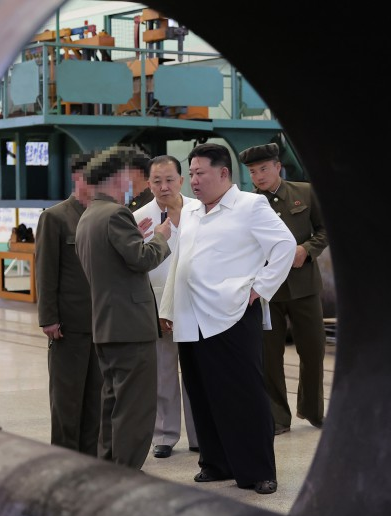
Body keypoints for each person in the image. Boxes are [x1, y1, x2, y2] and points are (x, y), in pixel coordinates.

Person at [159, 143, 295, 495]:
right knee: (203, 396)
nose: (193, 180)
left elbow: (284, 245)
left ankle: (258, 471)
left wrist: (260, 288)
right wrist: (168, 308)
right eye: (191, 174)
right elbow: (181, 261)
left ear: (223, 173)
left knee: (244, 396)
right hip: (191, 318)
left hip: (231, 315)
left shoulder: (250, 206)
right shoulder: (192, 212)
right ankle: (216, 463)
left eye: (200, 173)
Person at [75, 146, 173, 470]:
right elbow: (142, 259)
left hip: (107, 325)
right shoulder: (116, 214)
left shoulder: (90, 215)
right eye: (135, 176)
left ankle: (109, 468)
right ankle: (127, 472)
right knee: (135, 408)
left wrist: (136, 238)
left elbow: (113, 261)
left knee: (113, 404)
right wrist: (160, 237)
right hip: (130, 328)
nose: (139, 184)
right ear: (119, 176)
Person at [238, 143, 329, 434]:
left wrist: (307, 249)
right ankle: (278, 416)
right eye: (253, 172)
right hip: (268, 291)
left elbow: (325, 229)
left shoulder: (305, 192)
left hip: (304, 287)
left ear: (278, 167)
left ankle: (313, 410)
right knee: (270, 356)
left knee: (313, 350)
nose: (259, 176)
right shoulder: (248, 204)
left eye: (264, 169)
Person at [35, 151, 102, 456]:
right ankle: (64, 460)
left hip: (101, 323)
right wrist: (48, 317)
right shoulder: (56, 217)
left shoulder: (104, 215)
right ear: (78, 177)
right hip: (68, 326)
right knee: (67, 401)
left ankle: (89, 462)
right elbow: (45, 271)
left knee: (96, 400)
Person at [134, 155, 200, 458]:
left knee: (198, 372)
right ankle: (164, 434)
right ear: (148, 184)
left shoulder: (199, 210)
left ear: (181, 181)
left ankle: (200, 434)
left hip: (195, 303)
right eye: (157, 181)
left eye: (170, 180)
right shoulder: (138, 218)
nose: (164, 187)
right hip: (157, 306)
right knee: (163, 373)